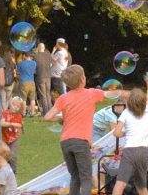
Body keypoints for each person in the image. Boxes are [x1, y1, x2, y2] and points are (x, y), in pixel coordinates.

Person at [44, 65, 120, 195]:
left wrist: (62, 119)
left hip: (65, 143)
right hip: (81, 142)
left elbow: (47, 117)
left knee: (75, 177)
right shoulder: (91, 93)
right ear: (82, 79)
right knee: (86, 177)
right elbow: (111, 94)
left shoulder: (63, 98)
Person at [110, 76, 148, 195]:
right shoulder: (146, 110)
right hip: (143, 152)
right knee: (141, 186)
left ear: (129, 102)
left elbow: (116, 133)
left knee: (120, 184)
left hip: (130, 151)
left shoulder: (125, 113)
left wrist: (126, 132)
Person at [0, 96, 24, 176]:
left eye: (18, 106)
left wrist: (11, 124)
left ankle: (13, 172)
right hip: (5, 138)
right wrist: (11, 124)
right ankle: (5, 171)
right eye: (14, 105)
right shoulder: (5, 113)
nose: (15, 107)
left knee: (13, 155)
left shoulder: (19, 116)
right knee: (5, 155)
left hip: (14, 139)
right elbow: (2, 124)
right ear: (10, 104)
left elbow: (20, 125)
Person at [16, 50, 38, 117]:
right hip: (32, 81)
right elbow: (34, 71)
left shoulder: (21, 63)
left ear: (24, 56)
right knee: (32, 99)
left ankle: (23, 113)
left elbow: (18, 72)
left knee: (23, 99)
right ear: (30, 56)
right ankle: (32, 113)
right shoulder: (34, 63)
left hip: (23, 82)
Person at [34, 42, 53, 116]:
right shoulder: (48, 55)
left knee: (43, 95)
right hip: (48, 76)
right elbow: (51, 65)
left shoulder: (35, 56)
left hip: (40, 76)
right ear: (44, 48)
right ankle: (51, 111)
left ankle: (46, 112)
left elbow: (34, 68)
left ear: (38, 48)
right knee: (48, 94)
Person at [0, 46, 17, 110]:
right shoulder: (13, 61)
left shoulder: (1, 60)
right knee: (8, 98)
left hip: (2, 82)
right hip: (10, 82)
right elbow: (15, 72)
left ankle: (4, 111)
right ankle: (7, 110)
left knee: (3, 98)